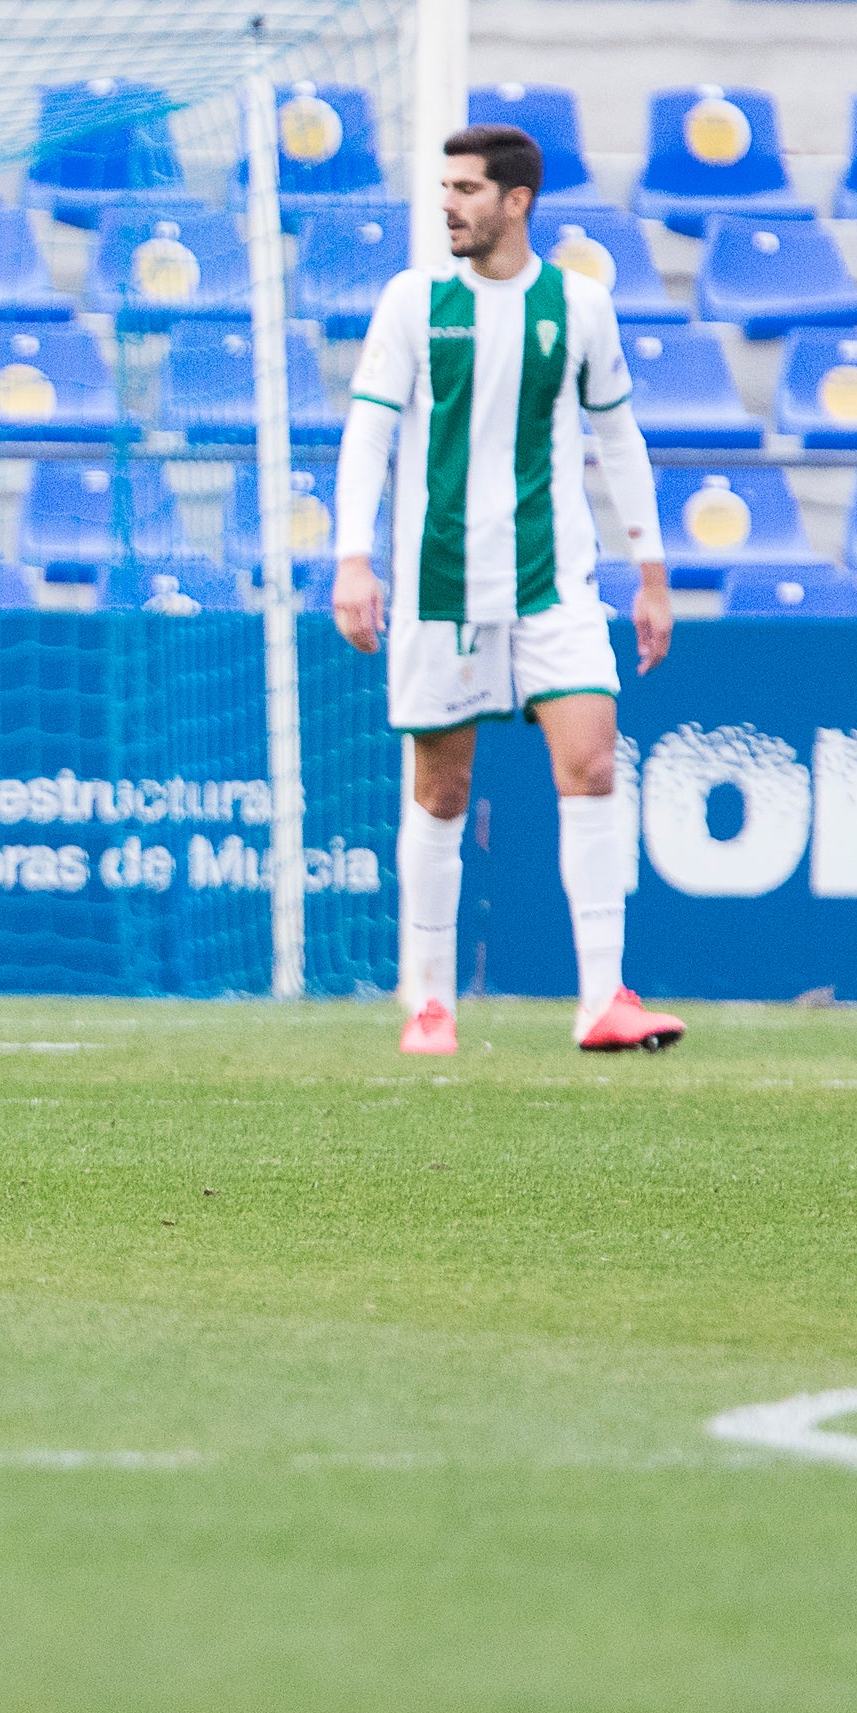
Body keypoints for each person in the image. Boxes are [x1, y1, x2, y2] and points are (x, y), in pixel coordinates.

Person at [333, 122, 687, 1057]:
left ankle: (603, 998)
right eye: (443, 187)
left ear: (516, 200)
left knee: (594, 763)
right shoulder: (414, 302)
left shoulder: (580, 307)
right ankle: (430, 1001)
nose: (447, 203)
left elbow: (620, 440)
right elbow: (368, 433)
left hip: (554, 583)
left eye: (465, 188)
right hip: (440, 585)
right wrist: (351, 558)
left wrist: (651, 574)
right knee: (443, 791)